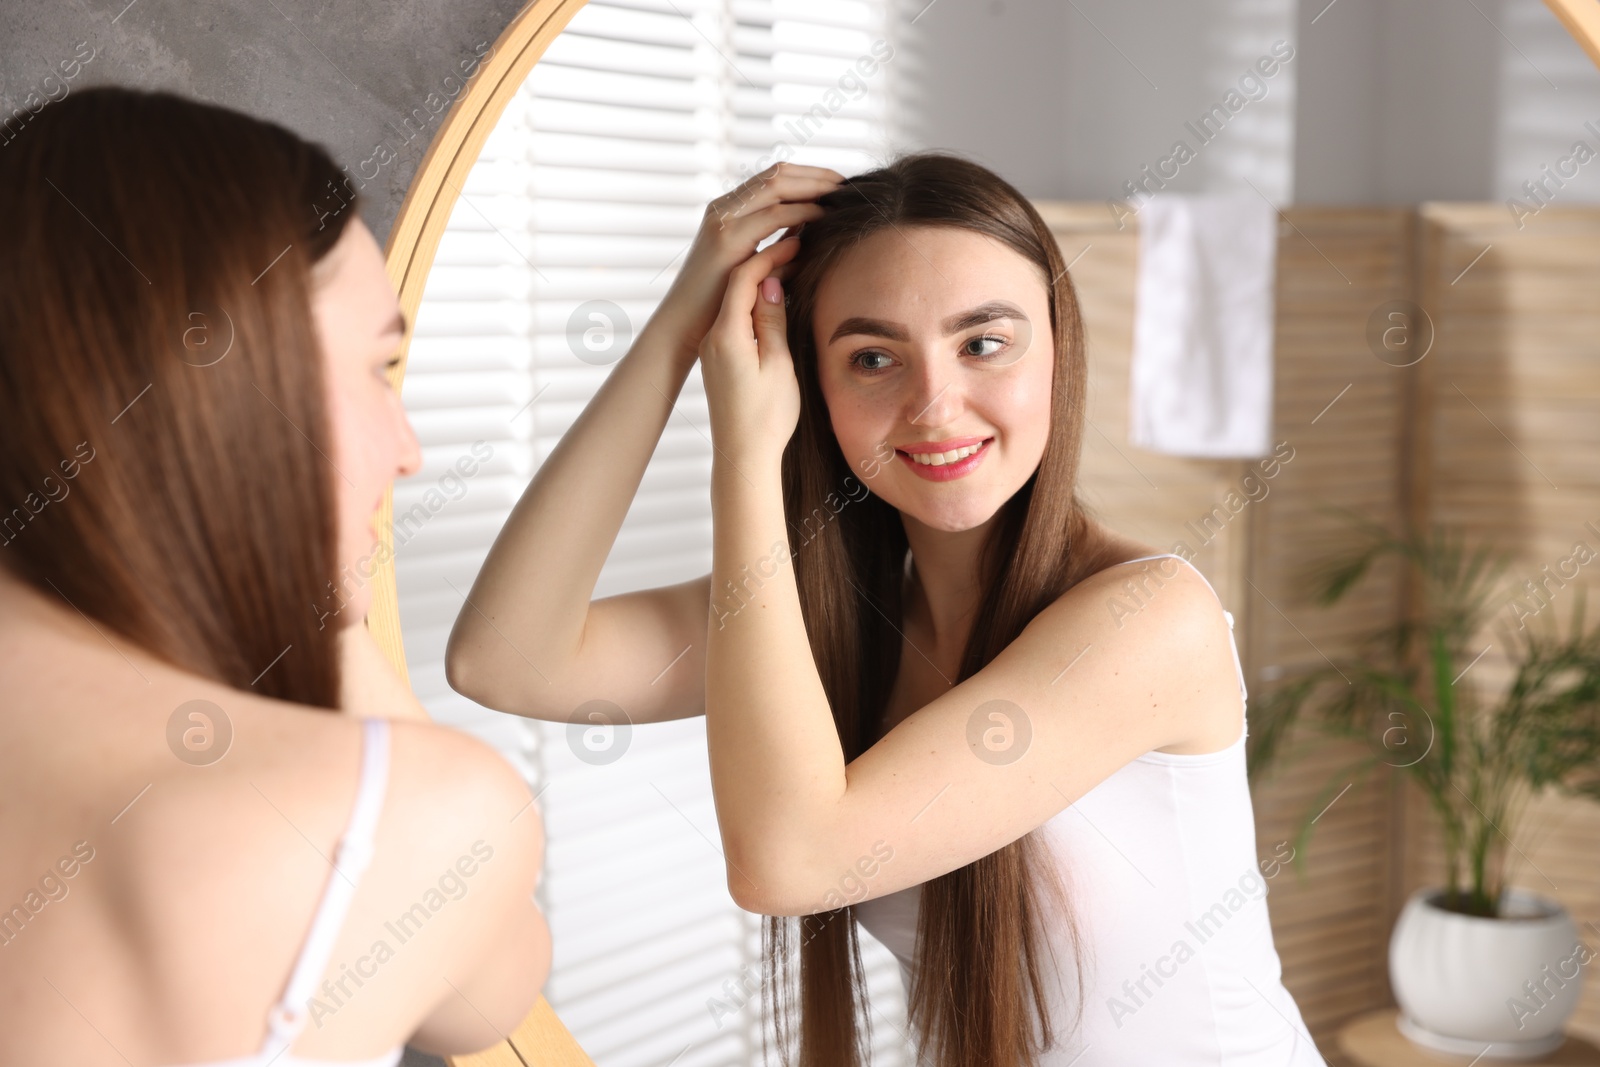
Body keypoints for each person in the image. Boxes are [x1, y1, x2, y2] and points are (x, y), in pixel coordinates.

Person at [449, 153, 1325, 1065]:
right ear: (810, 385)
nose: (936, 405)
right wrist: (683, 328)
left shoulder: (1151, 618)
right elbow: (506, 657)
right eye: (874, 357)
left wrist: (745, 465)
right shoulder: (839, 622)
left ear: (1059, 353)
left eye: (984, 343)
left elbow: (789, 860)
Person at [0, 86, 549, 1066]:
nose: (409, 449)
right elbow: (491, 993)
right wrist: (314, 592)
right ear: (232, 387)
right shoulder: (394, 816)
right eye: (381, 369)